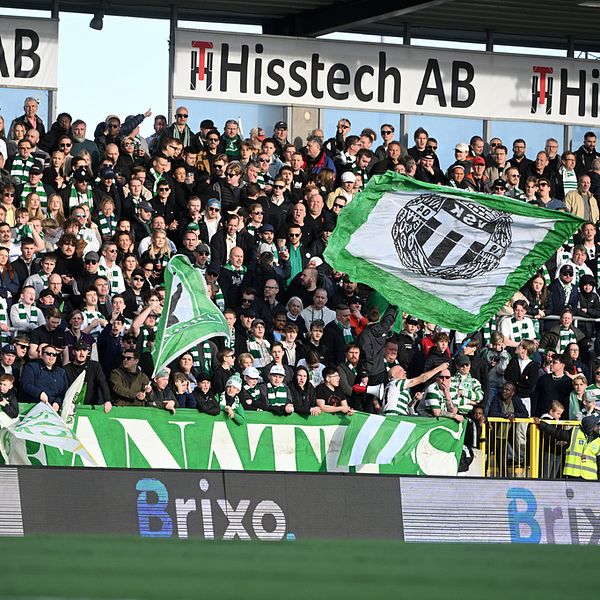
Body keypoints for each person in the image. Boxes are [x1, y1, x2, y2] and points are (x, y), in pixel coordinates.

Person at [534, 414, 600, 480]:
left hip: (590, 478)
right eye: (597, 425)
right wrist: (541, 424)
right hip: (573, 476)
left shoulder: (598, 439)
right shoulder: (574, 433)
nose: (599, 427)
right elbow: (556, 432)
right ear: (591, 427)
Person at [382, 362, 449, 417]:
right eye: (400, 370)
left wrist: (414, 400)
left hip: (397, 418)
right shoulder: (396, 383)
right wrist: (440, 368)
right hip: (395, 417)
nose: (405, 372)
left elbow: (408, 408)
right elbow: (422, 378)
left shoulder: (399, 388)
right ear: (394, 375)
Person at [64, 339, 112, 412]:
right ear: (73, 352)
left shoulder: (95, 366)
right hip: (71, 408)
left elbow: (102, 383)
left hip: (90, 407)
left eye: (84, 350)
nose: (81, 353)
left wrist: (107, 400)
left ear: (88, 352)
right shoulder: (66, 369)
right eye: (78, 350)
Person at [21, 344, 68, 411]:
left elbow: (64, 391)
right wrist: (39, 393)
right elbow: (26, 385)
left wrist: (57, 402)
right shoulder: (31, 367)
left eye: (54, 355)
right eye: (48, 354)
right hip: (34, 406)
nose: (51, 356)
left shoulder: (61, 372)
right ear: (42, 355)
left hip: (55, 409)